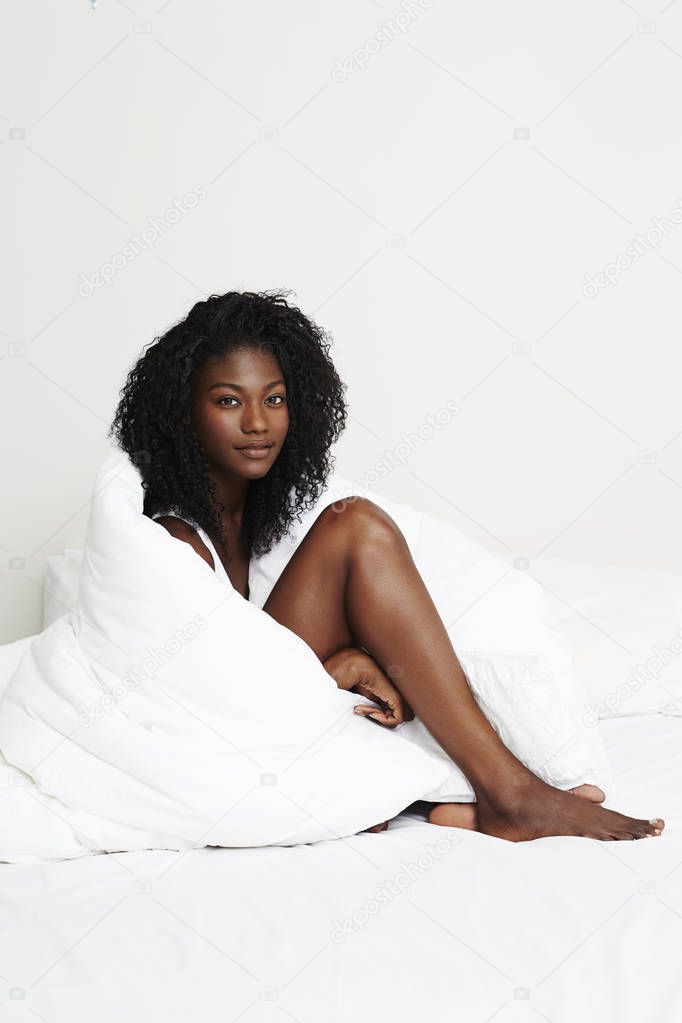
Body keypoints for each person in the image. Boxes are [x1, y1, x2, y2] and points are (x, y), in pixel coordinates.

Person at [109, 290, 665, 843]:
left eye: (274, 399)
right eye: (229, 401)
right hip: (232, 735)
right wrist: (337, 666)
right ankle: (510, 795)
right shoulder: (177, 537)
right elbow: (216, 710)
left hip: (264, 714)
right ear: (184, 412)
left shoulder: (253, 516)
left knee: (362, 553)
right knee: (356, 527)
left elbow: (257, 660)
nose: (257, 422)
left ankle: (453, 800)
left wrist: (347, 656)